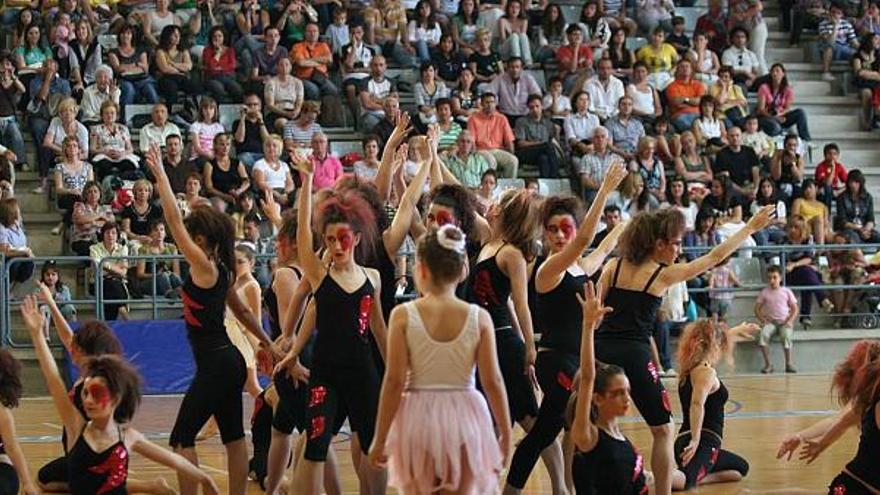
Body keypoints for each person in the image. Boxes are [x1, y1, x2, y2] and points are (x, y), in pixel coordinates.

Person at [593, 205, 774, 495]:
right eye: (676, 243)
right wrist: (750, 228)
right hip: (635, 354)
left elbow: (595, 312)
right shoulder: (662, 275)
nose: (679, 249)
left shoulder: (613, 267)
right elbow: (715, 256)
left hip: (599, 351)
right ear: (658, 244)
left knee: (590, 425)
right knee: (663, 429)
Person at [144, 143, 280, 495]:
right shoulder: (222, 270)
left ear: (200, 239)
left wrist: (160, 174)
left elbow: (173, 221)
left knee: (180, 438)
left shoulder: (204, 266)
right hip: (230, 361)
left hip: (217, 363)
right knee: (234, 437)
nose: (184, 240)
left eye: (191, 236)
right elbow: (245, 312)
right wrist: (267, 342)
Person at [504, 165, 627, 493]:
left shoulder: (577, 266)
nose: (560, 235)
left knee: (556, 432)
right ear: (544, 233)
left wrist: (623, 227)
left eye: (565, 229)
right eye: (553, 229)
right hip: (556, 362)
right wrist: (605, 189)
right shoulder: (549, 269)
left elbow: (598, 251)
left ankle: (568, 489)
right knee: (575, 423)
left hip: (578, 359)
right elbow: (587, 239)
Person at [20, 296, 221, 495]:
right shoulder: (76, 430)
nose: (88, 399)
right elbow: (53, 380)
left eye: (96, 394)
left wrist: (205, 478)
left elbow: (174, 460)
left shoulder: (127, 437)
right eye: (86, 393)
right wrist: (37, 335)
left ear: (116, 399)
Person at [367, 224, 512, 493]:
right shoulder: (479, 318)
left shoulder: (403, 315)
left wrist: (380, 436)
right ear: (463, 270)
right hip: (466, 414)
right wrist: (505, 431)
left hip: (418, 415)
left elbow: (394, 381)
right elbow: (493, 381)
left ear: (419, 269)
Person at [283, 151, 388, 495]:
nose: (337, 245)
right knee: (314, 447)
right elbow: (301, 234)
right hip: (325, 373)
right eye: (329, 240)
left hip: (363, 373)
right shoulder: (317, 273)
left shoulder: (372, 278)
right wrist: (307, 181)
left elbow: (378, 328)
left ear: (356, 238)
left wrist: (395, 372)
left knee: (374, 450)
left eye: (343, 238)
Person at [567, 280, 650, 494]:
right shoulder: (588, 436)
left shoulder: (621, 437)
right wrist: (588, 326)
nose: (626, 399)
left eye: (627, 392)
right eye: (618, 393)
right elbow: (587, 378)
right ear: (597, 398)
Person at [776, 340, 880, 494]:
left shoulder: (867, 401)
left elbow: (841, 421)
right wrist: (809, 439)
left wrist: (820, 443)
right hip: (855, 486)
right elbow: (839, 420)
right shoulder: (869, 402)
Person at [674, 319, 755, 489]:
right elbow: (697, 404)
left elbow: (714, 337)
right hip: (701, 441)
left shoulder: (691, 368)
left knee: (739, 469)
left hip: (690, 441)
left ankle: (699, 476)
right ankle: (648, 478)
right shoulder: (706, 372)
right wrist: (696, 440)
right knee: (687, 482)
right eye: (720, 344)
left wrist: (738, 329)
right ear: (713, 346)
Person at [784, 215, 834, 330]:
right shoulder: (783, 240)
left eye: (796, 227)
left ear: (802, 229)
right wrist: (794, 265)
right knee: (809, 273)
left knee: (807, 275)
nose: (792, 230)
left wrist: (795, 264)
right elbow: (785, 261)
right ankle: (821, 299)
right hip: (788, 274)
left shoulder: (808, 239)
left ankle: (806, 317)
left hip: (803, 270)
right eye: (791, 227)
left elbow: (810, 258)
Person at [468, 92, 519, 178]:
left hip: (497, 150)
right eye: (487, 102)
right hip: (480, 150)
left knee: (513, 160)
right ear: (481, 104)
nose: (490, 105)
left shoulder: (502, 118)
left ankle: (508, 188)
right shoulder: (473, 119)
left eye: (492, 102)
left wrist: (511, 153)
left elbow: (509, 140)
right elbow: (472, 142)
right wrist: (473, 154)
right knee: (490, 160)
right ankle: (490, 187)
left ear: (495, 104)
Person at [756, 64, 812, 140]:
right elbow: (761, 110)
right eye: (772, 71)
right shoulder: (764, 87)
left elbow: (787, 108)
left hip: (782, 115)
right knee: (775, 127)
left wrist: (780, 114)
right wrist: (775, 118)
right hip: (766, 116)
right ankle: (781, 131)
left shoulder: (788, 89)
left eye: (777, 71)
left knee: (800, 112)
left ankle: (806, 139)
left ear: (783, 73)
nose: (774, 73)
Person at [514, 94, 561, 178]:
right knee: (547, 146)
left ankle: (546, 185)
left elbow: (554, 142)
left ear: (542, 107)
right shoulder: (522, 121)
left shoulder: (548, 123)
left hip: (543, 153)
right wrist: (539, 144)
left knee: (544, 159)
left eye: (537, 106)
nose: (535, 109)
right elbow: (521, 144)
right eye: (531, 107)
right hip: (526, 152)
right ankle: (556, 177)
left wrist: (557, 132)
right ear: (528, 108)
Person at [135, 220, 182, 299]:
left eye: (162, 229)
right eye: (156, 230)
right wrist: (157, 275)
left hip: (168, 279)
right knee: (162, 276)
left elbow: (177, 272)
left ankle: (182, 293)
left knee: (173, 276)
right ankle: (169, 294)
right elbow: (140, 274)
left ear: (165, 233)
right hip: (149, 282)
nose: (159, 233)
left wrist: (168, 274)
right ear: (151, 233)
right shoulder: (144, 249)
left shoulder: (172, 248)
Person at [292, 22, 338, 101]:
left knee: (333, 90)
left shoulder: (323, 45)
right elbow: (301, 63)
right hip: (304, 78)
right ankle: (314, 112)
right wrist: (320, 62)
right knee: (314, 91)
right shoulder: (298, 46)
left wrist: (309, 61)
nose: (312, 34)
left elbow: (329, 59)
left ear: (318, 33)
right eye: (309, 31)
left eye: (315, 31)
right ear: (305, 33)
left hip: (320, 77)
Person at [835, 169, 880, 244]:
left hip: (864, 228)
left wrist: (866, 229)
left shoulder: (868, 197)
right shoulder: (842, 198)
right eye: (851, 182)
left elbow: (871, 219)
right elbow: (842, 221)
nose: (853, 185)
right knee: (854, 238)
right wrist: (859, 229)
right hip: (849, 229)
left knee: (877, 236)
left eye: (856, 182)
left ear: (860, 183)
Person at [819, 2, 859, 81]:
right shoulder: (823, 24)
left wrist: (863, 50)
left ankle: (858, 76)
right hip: (831, 49)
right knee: (828, 47)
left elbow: (854, 42)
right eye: (833, 12)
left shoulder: (847, 24)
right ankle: (826, 72)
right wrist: (835, 26)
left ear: (842, 15)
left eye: (838, 13)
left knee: (857, 54)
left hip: (844, 49)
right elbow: (830, 42)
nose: (835, 15)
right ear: (829, 12)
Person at [665, 59, 705, 132]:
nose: (685, 69)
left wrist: (685, 99)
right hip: (680, 115)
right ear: (677, 70)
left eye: (687, 66)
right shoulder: (672, 86)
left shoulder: (698, 85)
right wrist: (693, 101)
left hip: (698, 114)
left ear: (691, 70)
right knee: (695, 129)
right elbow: (676, 103)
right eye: (682, 67)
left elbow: (700, 101)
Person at [814, 142, 848, 210]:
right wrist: (833, 169)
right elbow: (827, 183)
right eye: (829, 154)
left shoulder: (839, 166)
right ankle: (827, 214)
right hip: (822, 191)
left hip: (835, 190)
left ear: (838, 156)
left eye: (835, 154)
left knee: (848, 190)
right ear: (825, 155)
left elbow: (849, 182)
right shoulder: (820, 167)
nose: (832, 156)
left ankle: (842, 217)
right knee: (827, 189)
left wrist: (839, 191)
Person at [708, 257, 739, 321]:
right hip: (726, 296)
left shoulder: (714, 270)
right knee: (724, 315)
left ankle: (715, 326)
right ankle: (723, 326)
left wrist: (710, 286)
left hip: (715, 296)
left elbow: (711, 281)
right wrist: (741, 285)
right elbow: (735, 280)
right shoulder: (728, 270)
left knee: (714, 312)